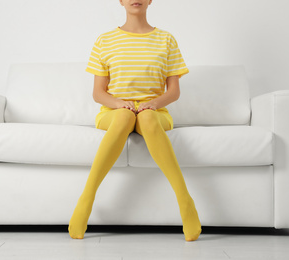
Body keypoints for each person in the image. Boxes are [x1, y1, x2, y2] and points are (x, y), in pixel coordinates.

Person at [68, 0, 201, 241]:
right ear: (120, 1)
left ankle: (185, 201)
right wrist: (119, 103)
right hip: (114, 112)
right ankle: (86, 198)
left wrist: (154, 104)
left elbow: (173, 91)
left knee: (147, 118)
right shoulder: (105, 40)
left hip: (155, 112)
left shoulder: (166, 40)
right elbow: (99, 93)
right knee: (124, 116)